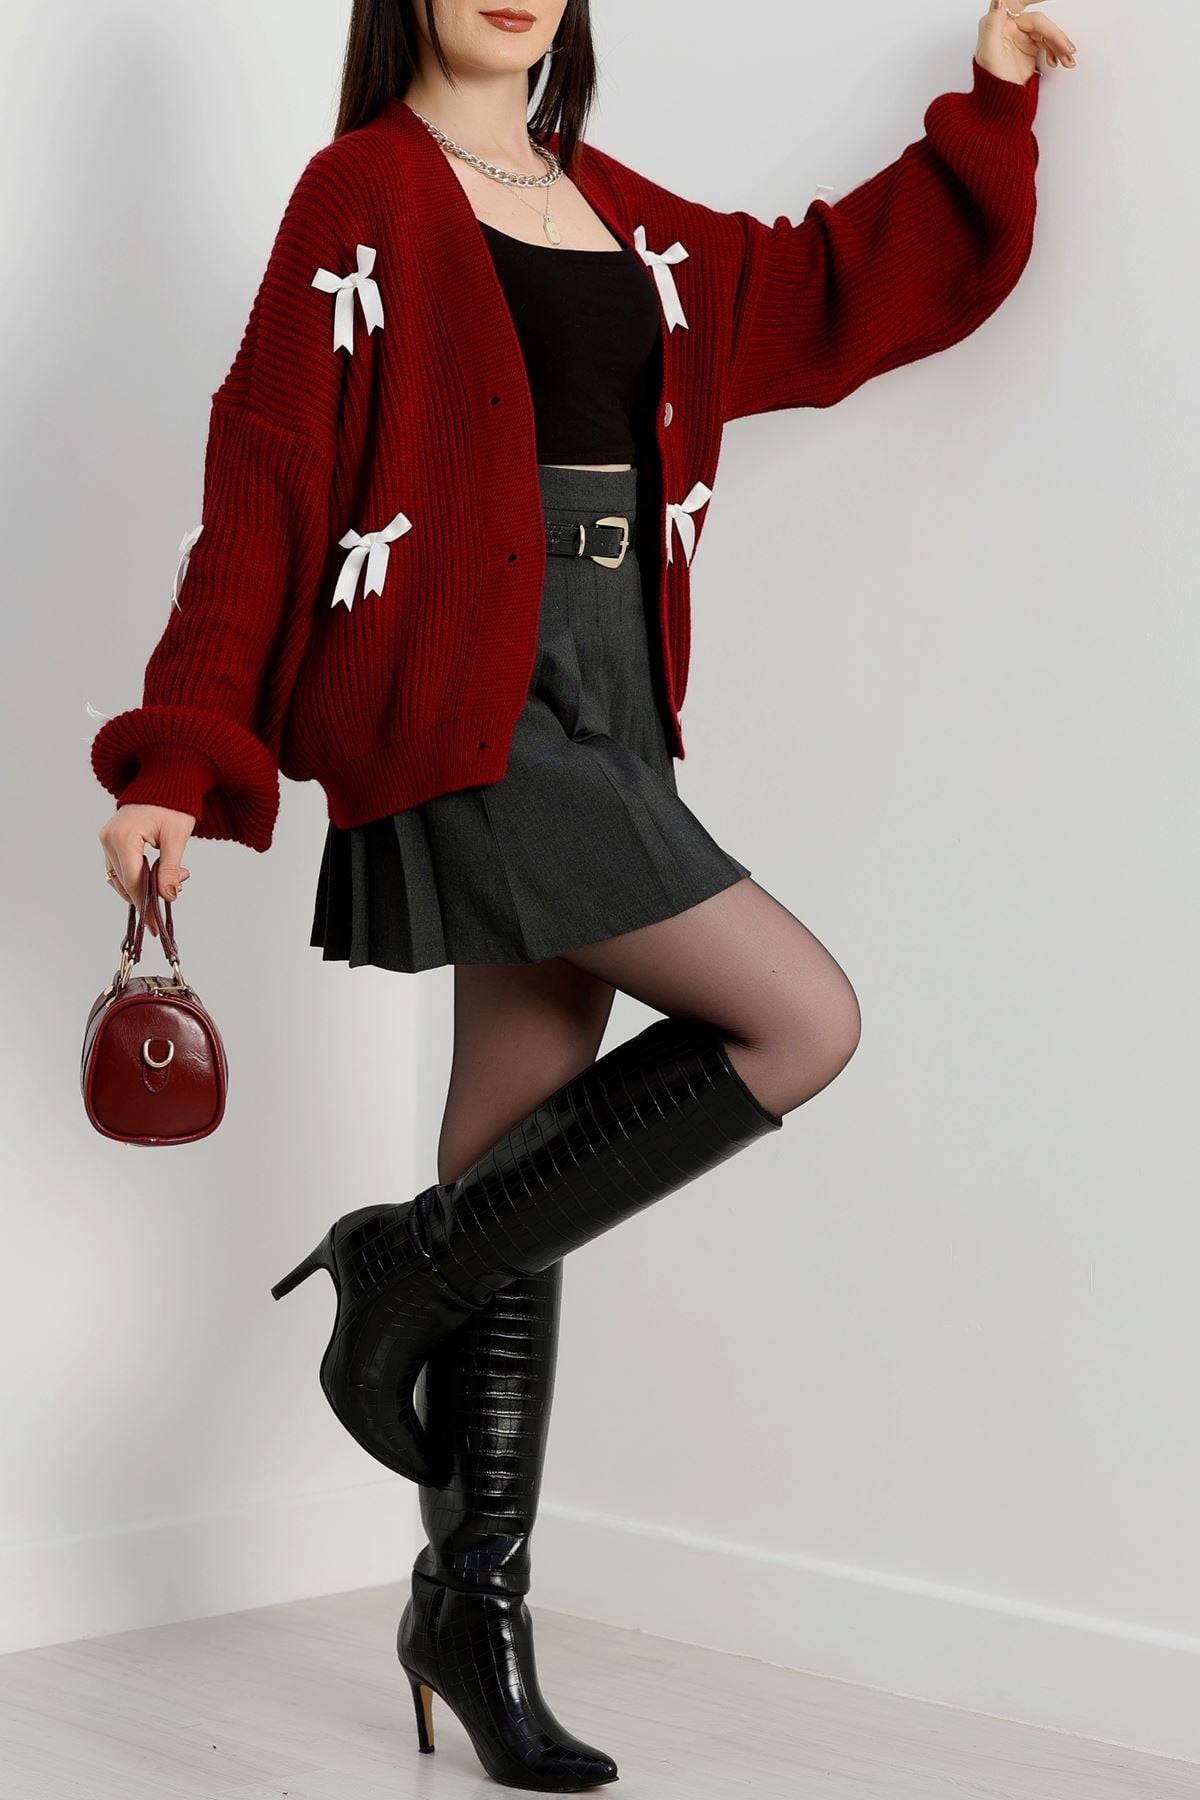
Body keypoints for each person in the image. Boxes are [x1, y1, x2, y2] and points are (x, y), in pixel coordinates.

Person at [92, 1, 1074, 1789]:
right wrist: (175, 755)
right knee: (803, 1018)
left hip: (612, 691)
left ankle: (468, 1602)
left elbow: (825, 293)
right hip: (470, 689)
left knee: (515, 1139)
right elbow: (271, 472)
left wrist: (993, 101)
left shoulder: (603, 199)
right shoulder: (363, 194)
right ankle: (396, 1272)